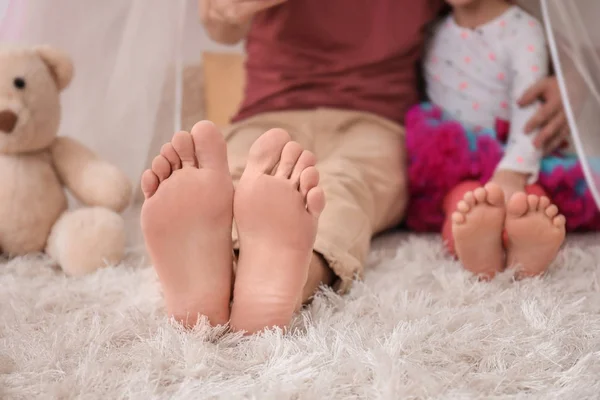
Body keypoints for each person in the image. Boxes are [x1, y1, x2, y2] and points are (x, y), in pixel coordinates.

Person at [140, 0, 570, 334]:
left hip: (378, 123)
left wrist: (569, 84)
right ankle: (234, 271)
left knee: (345, 188)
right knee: (250, 181)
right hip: (268, 114)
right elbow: (219, 23)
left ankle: (271, 275)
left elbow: (509, 18)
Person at [404, 0, 600, 280]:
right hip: (453, 160)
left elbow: (530, 109)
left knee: (529, 203)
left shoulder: (523, 30)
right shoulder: (432, 31)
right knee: (462, 203)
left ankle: (528, 251)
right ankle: (477, 250)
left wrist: (514, 171)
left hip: (513, 153)